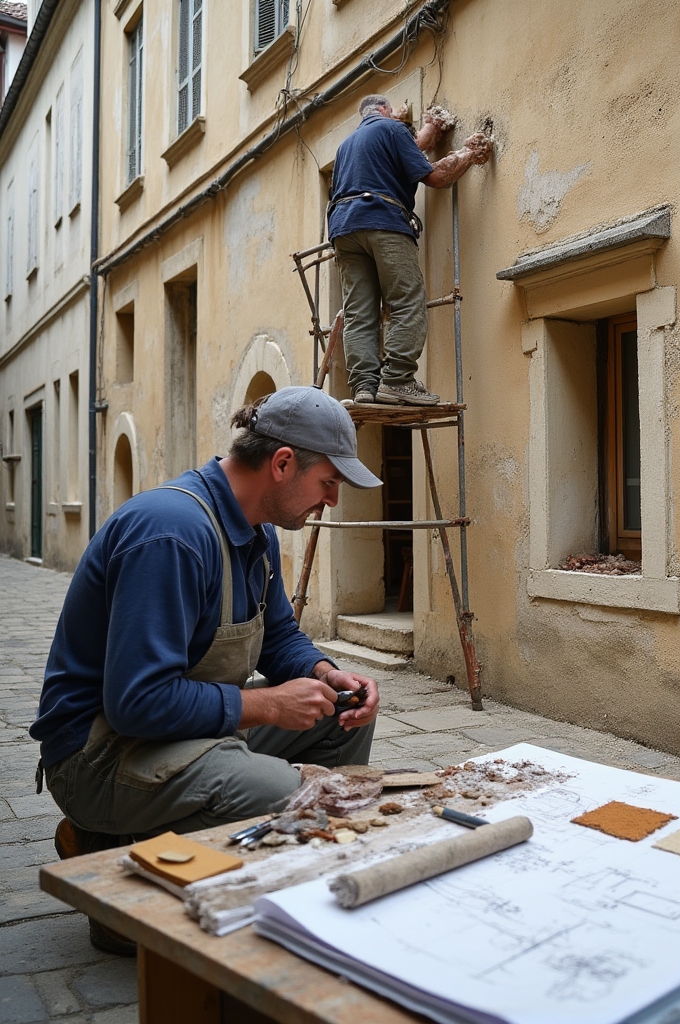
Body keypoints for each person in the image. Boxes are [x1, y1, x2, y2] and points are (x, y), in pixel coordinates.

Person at [31, 386, 382, 952]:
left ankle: (240, 859)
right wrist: (267, 706)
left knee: (342, 716)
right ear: (283, 464)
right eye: (329, 484)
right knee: (288, 794)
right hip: (99, 754)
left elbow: (280, 637)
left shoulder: (257, 530)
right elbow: (136, 703)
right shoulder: (170, 533)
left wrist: (323, 672)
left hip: (174, 732)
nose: (332, 502)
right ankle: (119, 859)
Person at [328, 94, 492, 406]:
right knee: (405, 300)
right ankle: (398, 379)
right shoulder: (392, 129)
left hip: (343, 230)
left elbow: (407, 152)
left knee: (359, 312)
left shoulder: (347, 145)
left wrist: (430, 130)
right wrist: (469, 154)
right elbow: (436, 176)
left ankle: (364, 386)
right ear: (385, 111)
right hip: (382, 220)